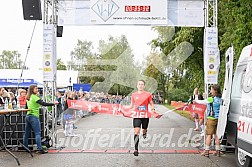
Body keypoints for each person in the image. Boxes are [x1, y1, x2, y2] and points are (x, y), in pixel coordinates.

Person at [23, 85, 58, 154]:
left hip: (28, 116)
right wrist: (53, 103)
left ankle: (25, 147)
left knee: (26, 133)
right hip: (34, 116)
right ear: (32, 90)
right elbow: (43, 103)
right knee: (37, 133)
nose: (37, 90)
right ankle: (40, 148)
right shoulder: (35, 97)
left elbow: (26, 107)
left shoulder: (28, 97)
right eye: (36, 89)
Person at [126, 80, 156, 156]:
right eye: (139, 84)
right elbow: (131, 105)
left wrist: (152, 109)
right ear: (137, 85)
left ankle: (144, 133)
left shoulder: (148, 94)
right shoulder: (134, 94)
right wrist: (124, 109)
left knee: (144, 129)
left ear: (144, 86)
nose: (140, 85)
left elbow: (151, 103)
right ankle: (136, 149)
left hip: (145, 115)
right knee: (136, 131)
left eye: (142, 84)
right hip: (136, 115)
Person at [194, 84, 222, 157]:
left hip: (211, 119)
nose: (211, 91)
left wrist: (196, 100)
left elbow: (201, 102)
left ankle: (206, 151)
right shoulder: (220, 99)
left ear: (215, 91)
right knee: (216, 135)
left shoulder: (211, 99)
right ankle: (218, 151)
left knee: (209, 135)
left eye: (212, 89)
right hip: (218, 119)